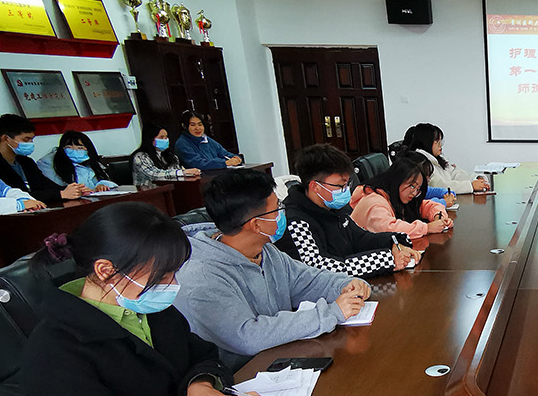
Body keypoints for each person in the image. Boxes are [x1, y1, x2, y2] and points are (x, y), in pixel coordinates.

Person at [21, 202, 271, 396]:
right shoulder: (57, 348)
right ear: (105, 270)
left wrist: (200, 385)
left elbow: (202, 355)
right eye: (161, 276)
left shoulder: (151, 310)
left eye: (174, 273)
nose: (172, 285)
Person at [174, 168, 372, 371]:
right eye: (277, 208)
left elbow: (306, 281)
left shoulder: (265, 250)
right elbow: (249, 336)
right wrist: (331, 313)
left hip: (281, 359)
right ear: (256, 225)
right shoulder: (202, 278)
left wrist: (344, 284)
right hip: (240, 377)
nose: (282, 212)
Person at [279, 143, 418, 278]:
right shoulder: (295, 221)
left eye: (347, 184)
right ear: (316, 186)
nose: (345, 190)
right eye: (340, 186)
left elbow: (360, 238)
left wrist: (394, 243)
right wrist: (387, 260)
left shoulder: (333, 207)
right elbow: (318, 268)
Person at [0, 113, 86, 205]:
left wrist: (74, 189)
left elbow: (47, 185)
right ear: (6, 138)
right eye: (26, 140)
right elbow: (13, 195)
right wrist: (60, 194)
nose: (30, 143)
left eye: (31, 139)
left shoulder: (27, 162)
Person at [351, 154, 452, 239]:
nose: (414, 193)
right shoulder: (374, 201)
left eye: (418, 189)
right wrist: (427, 228)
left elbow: (427, 205)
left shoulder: (397, 197)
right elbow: (389, 229)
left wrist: (439, 217)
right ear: (397, 180)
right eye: (412, 186)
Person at [402, 122, 490, 193]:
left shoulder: (437, 159)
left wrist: (476, 178)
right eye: (437, 142)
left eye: (440, 141)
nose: (440, 145)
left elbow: (455, 173)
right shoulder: (421, 163)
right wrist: (470, 186)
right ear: (426, 143)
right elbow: (440, 186)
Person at [36, 131, 119, 192]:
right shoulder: (48, 163)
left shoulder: (92, 162)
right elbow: (54, 188)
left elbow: (106, 180)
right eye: (69, 147)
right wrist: (78, 190)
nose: (74, 151)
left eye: (80, 148)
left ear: (88, 150)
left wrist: (102, 185)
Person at [131, 120, 201, 188]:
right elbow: (154, 175)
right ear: (150, 138)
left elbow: (175, 174)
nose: (165, 140)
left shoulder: (170, 156)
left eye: (166, 137)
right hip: (148, 192)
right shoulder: (140, 157)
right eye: (161, 137)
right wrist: (182, 172)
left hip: (169, 189)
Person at [173, 109, 241, 170]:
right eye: (193, 125)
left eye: (200, 124)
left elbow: (224, 154)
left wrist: (236, 158)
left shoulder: (206, 139)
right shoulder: (182, 143)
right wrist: (225, 163)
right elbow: (199, 164)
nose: (197, 128)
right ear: (184, 126)